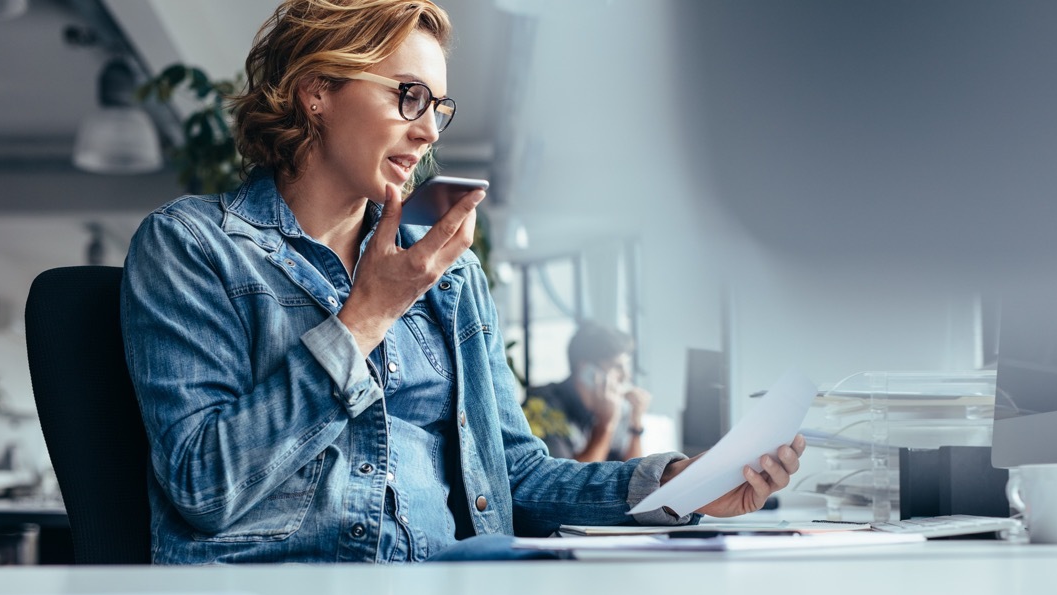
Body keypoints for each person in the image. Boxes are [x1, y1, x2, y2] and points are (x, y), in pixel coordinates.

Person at [121, 0, 805, 564]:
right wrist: (365, 318)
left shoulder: (448, 274)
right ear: (317, 90)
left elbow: (517, 477)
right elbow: (203, 484)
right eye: (408, 96)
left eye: (437, 107)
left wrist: (680, 487)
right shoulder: (193, 246)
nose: (427, 132)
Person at [523, 321, 650, 462]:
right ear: (587, 371)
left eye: (626, 367)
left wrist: (636, 424)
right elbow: (567, 476)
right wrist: (605, 426)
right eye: (616, 367)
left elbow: (635, 472)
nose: (626, 376)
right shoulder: (542, 405)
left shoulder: (616, 406)